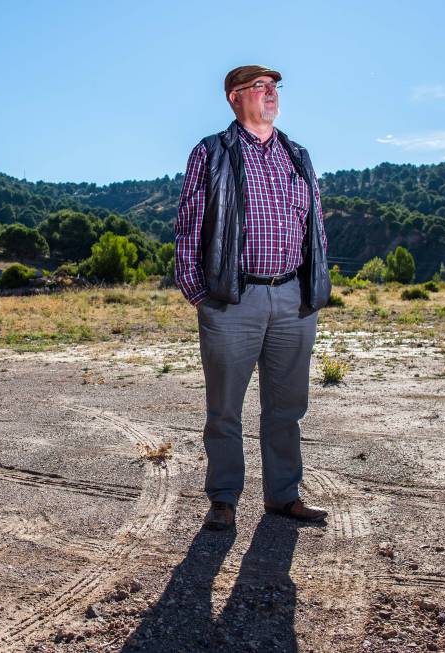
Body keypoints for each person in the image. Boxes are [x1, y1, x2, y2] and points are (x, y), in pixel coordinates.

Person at [174, 64, 332, 530]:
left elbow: (315, 225)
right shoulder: (212, 152)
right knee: (225, 409)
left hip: (292, 299)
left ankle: (283, 496)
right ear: (235, 97)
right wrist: (200, 294)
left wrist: (315, 287)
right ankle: (223, 499)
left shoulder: (297, 155)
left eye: (274, 86)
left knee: (287, 408)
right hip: (232, 299)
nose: (271, 93)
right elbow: (188, 226)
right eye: (260, 87)